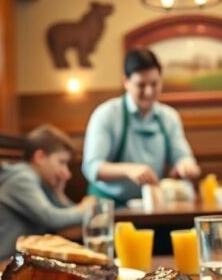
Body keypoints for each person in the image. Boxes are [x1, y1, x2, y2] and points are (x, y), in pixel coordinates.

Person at [82, 48, 200, 205]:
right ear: (126, 82)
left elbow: (183, 157)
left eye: (154, 84)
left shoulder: (169, 117)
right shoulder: (106, 114)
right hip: (108, 205)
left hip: (151, 205)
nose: (149, 91)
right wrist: (129, 170)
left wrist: (186, 165)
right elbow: (92, 167)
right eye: (141, 85)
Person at [0, 125, 96, 269]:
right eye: (62, 162)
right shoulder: (21, 179)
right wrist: (84, 209)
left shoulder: (40, 181)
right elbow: (52, 218)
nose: (67, 173)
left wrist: (60, 195)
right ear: (40, 157)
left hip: (21, 260)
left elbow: (66, 222)